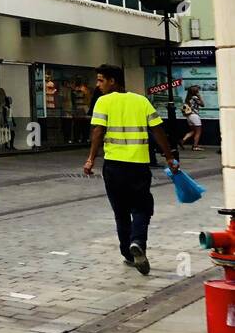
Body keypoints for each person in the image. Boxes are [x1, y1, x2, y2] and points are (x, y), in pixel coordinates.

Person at [83, 64, 180, 276]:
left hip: (114, 167)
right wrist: (170, 156)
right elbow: (157, 131)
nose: (97, 85)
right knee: (142, 207)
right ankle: (137, 242)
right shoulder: (142, 101)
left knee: (120, 212)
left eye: (101, 80)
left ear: (112, 81)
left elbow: (98, 131)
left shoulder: (103, 101)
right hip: (138, 166)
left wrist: (91, 159)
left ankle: (128, 253)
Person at [181, 86, 204, 152]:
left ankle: (182, 141)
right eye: (197, 90)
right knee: (198, 132)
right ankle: (195, 146)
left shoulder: (188, 98)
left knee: (193, 131)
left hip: (189, 116)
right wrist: (199, 96)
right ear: (195, 92)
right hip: (194, 116)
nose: (199, 91)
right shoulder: (195, 97)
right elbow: (202, 104)